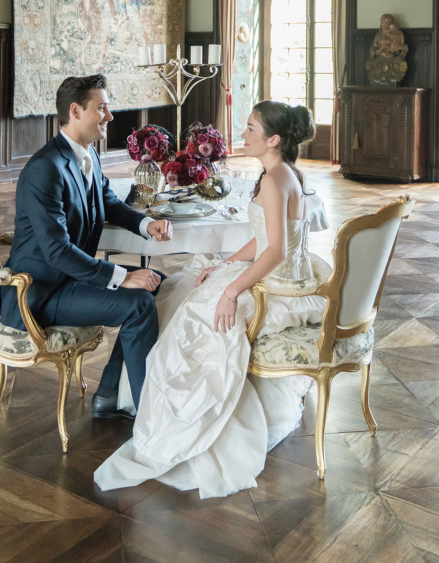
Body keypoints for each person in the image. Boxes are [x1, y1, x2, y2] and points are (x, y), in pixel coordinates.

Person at [94, 100, 331, 499]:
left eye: (251, 128)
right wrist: (226, 265)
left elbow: (275, 251)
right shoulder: (283, 173)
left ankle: (170, 418)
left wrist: (231, 290)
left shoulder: (275, 180)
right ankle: (139, 397)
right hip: (285, 276)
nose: (244, 134)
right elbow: (266, 239)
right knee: (184, 289)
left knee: (192, 314)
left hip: (278, 287)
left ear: (273, 139)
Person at [0, 74, 172, 418]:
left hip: (69, 279)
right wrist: (123, 277)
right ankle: (149, 415)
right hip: (40, 291)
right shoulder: (45, 168)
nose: (110, 116)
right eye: (102, 108)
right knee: (138, 304)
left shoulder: (86, 153)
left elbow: (108, 201)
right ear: (76, 111)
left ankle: (109, 394)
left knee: (157, 283)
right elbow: (57, 251)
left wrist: (144, 224)